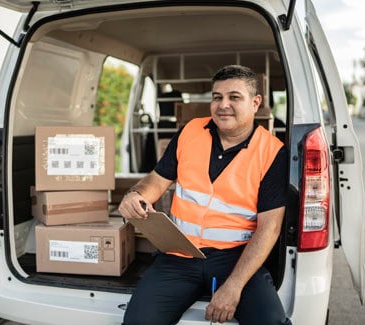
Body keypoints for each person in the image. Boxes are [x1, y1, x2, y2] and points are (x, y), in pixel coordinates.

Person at [118, 65, 290, 325]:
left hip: (235, 259)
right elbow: (157, 179)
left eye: (234, 97)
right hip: (179, 255)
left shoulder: (273, 152)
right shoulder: (190, 132)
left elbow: (269, 229)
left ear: (256, 103)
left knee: (270, 321)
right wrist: (136, 194)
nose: (223, 105)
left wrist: (234, 287)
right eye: (217, 97)